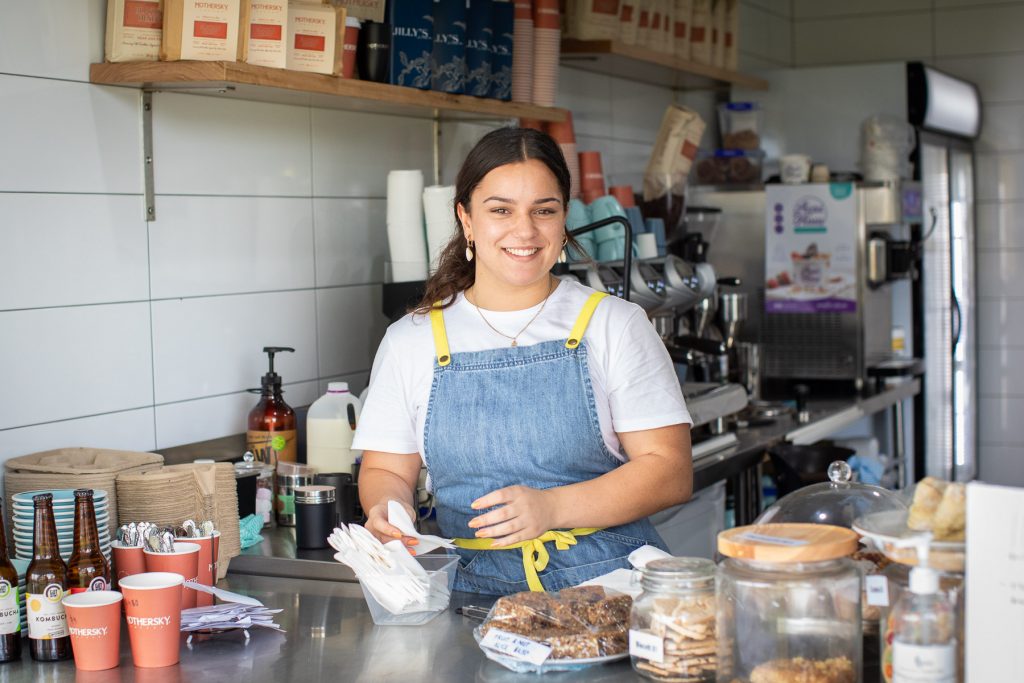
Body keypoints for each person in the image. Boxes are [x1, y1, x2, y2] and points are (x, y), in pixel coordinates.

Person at [352, 127, 693, 595]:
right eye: (500, 210)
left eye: (544, 211)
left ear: (564, 219)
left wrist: (553, 508)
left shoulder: (614, 323)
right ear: (466, 220)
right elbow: (387, 470)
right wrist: (387, 511)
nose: (525, 230)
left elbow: (669, 471)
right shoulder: (410, 340)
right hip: (470, 594)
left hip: (612, 589)